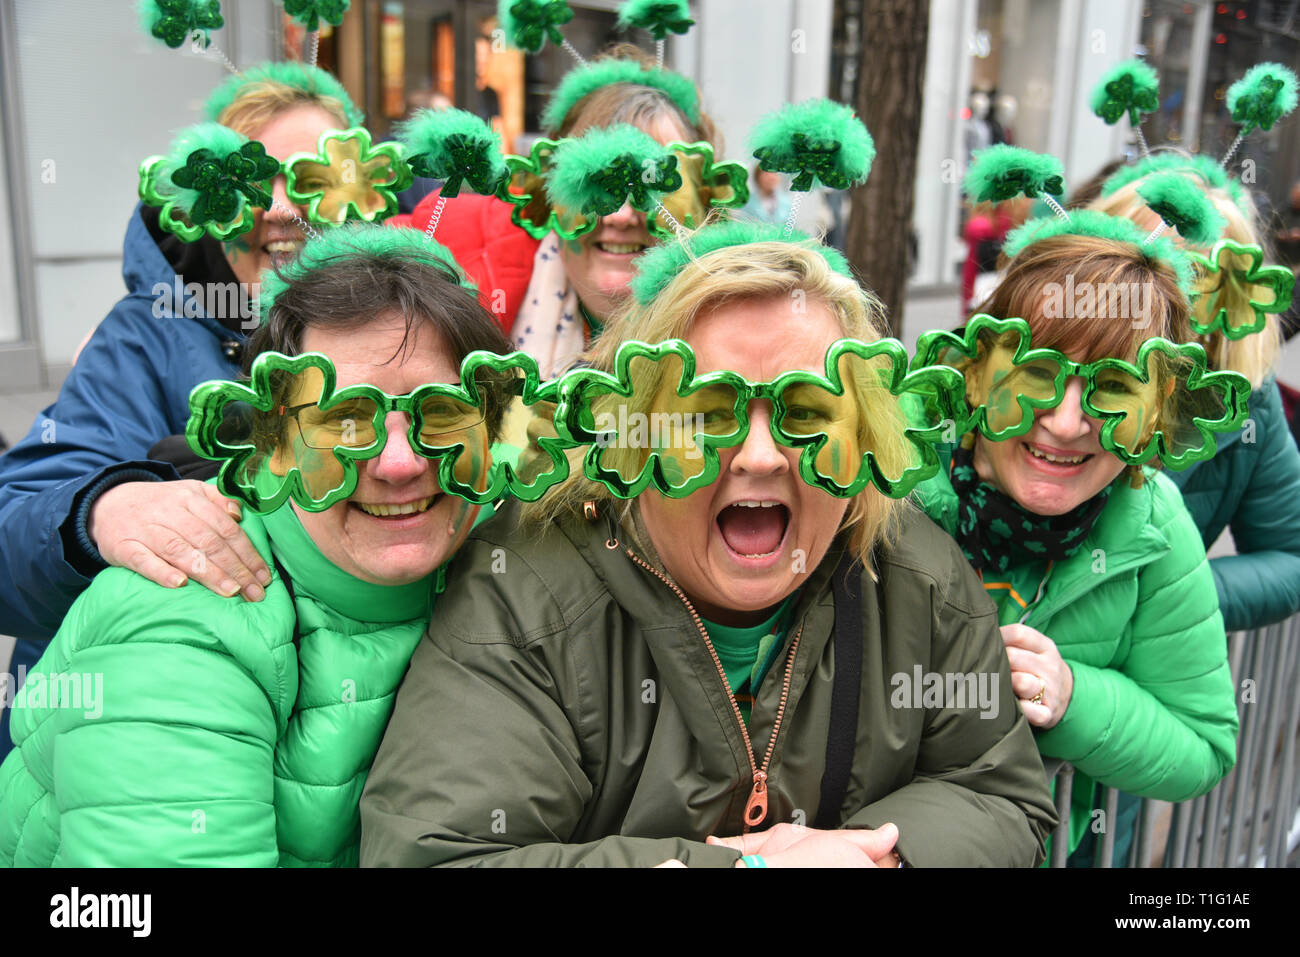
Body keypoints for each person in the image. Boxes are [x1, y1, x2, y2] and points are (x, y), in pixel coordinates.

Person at [360, 228, 1057, 868]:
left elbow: (1002, 796)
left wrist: (882, 857)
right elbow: (439, 856)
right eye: (706, 413)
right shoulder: (526, 591)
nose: (760, 455)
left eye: (806, 410)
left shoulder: (912, 576)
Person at [0, 227, 513, 866]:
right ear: (272, 440)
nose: (401, 461)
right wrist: (100, 507)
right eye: (342, 423)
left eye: (438, 412)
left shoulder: (518, 555)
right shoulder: (185, 616)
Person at [0, 63, 355, 675]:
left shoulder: (397, 329)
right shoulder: (145, 332)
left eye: (310, 178)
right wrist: (99, 512)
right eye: (249, 182)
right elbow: (12, 538)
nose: (280, 208)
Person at [911, 231, 1240, 864]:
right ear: (980, 371)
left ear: (1158, 409)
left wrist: (1073, 699)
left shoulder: (1152, 523)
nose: (1066, 423)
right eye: (1037, 375)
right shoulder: (888, 486)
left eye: (1113, 391)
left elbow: (1202, 745)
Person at [396, 44, 728, 376]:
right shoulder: (449, 295)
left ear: (705, 199)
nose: (620, 215)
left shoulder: (755, 343)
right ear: (550, 192)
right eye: (594, 181)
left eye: (655, 184)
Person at [1093, 162, 1300, 631]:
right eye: (1139, 273)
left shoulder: (1245, 403)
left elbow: (1288, 556)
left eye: (1200, 282)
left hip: (1150, 677)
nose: (1166, 304)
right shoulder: (1022, 367)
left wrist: (1172, 596)